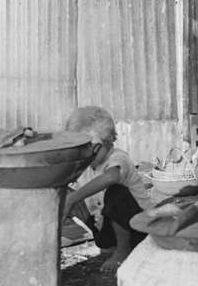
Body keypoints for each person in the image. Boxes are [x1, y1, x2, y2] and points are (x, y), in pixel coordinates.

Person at [63, 106, 152, 273]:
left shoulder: (118, 158)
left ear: (108, 141)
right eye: (80, 149)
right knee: (65, 192)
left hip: (139, 229)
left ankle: (123, 250)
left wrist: (73, 198)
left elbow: (111, 177)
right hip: (105, 228)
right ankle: (109, 246)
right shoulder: (84, 166)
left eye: (93, 148)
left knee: (115, 192)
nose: (86, 154)